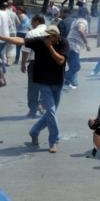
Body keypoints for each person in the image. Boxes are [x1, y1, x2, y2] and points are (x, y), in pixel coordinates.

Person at [0, 25, 69, 153]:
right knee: (51, 112)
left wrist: (50, 47)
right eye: (46, 35)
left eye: (50, 36)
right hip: (43, 82)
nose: (46, 38)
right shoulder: (40, 40)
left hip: (58, 82)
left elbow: (60, 61)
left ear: (56, 36)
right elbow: (20, 40)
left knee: (50, 113)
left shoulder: (63, 42)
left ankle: (34, 131)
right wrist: (2, 37)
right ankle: (53, 141)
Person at [21, 15, 46, 118]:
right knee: (46, 86)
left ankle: (33, 110)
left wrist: (23, 64)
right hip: (50, 64)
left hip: (35, 63)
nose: (31, 24)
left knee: (33, 88)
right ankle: (42, 104)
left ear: (37, 21)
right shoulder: (52, 31)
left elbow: (26, 50)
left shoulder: (31, 33)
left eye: (32, 21)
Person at [64, 8, 91, 89]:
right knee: (76, 67)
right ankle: (61, 78)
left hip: (69, 45)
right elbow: (80, 30)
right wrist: (86, 44)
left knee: (72, 66)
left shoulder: (76, 20)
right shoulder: (83, 21)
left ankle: (68, 82)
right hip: (73, 46)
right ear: (86, 15)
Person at [0, 2, 10, 69]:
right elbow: (10, 24)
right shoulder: (6, 13)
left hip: (1, 36)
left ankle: (3, 69)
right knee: (2, 53)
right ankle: (3, 68)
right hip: (6, 35)